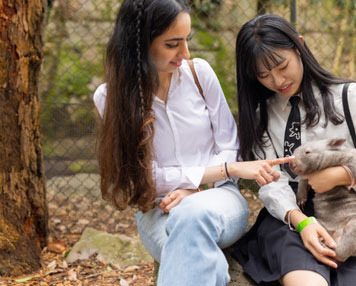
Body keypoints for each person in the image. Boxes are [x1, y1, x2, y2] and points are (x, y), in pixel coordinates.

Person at [93, 1, 291, 285]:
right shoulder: (109, 98)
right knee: (195, 248)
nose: (184, 54)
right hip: (158, 212)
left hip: (220, 200)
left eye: (187, 41)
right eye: (172, 44)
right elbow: (145, 177)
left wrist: (197, 187)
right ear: (139, 45)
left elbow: (229, 146)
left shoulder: (200, 74)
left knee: (193, 214)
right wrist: (224, 170)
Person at [232, 14, 356, 286]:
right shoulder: (263, 115)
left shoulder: (348, 97)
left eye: (282, 66)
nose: (277, 80)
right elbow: (273, 182)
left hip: (348, 211)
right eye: (263, 75)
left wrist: (342, 175)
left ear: (300, 47)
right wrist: (301, 222)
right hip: (290, 215)